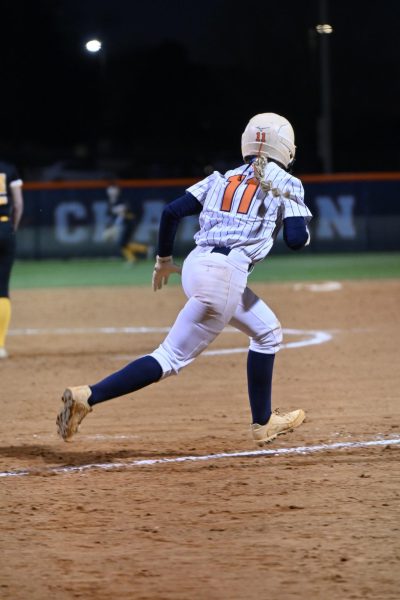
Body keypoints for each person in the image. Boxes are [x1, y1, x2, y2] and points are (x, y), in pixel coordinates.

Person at [56, 113, 312, 446]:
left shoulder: (222, 177)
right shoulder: (287, 183)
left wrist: (163, 261)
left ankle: (263, 422)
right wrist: (303, 231)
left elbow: (170, 212)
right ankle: (87, 396)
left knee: (267, 332)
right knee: (169, 358)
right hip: (225, 275)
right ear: (287, 149)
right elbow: (295, 239)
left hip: (196, 267)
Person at [0, 160, 23, 359]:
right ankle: (0, 346)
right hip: (5, 227)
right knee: (2, 290)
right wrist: (11, 230)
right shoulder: (8, 169)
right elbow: (18, 204)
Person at [103, 183, 148, 263]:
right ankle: (139, 254)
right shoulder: (110, 203)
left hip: (129, 222)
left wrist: (115, 226)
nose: (112, 192)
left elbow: (123, 212)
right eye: (110, 190)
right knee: (123, 243)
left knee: (122, 243)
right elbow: (110, 215)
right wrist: (110, 227)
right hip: (123, 224)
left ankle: (144, 251)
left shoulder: (121, 200)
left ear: (117, 191)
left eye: (113, 190)